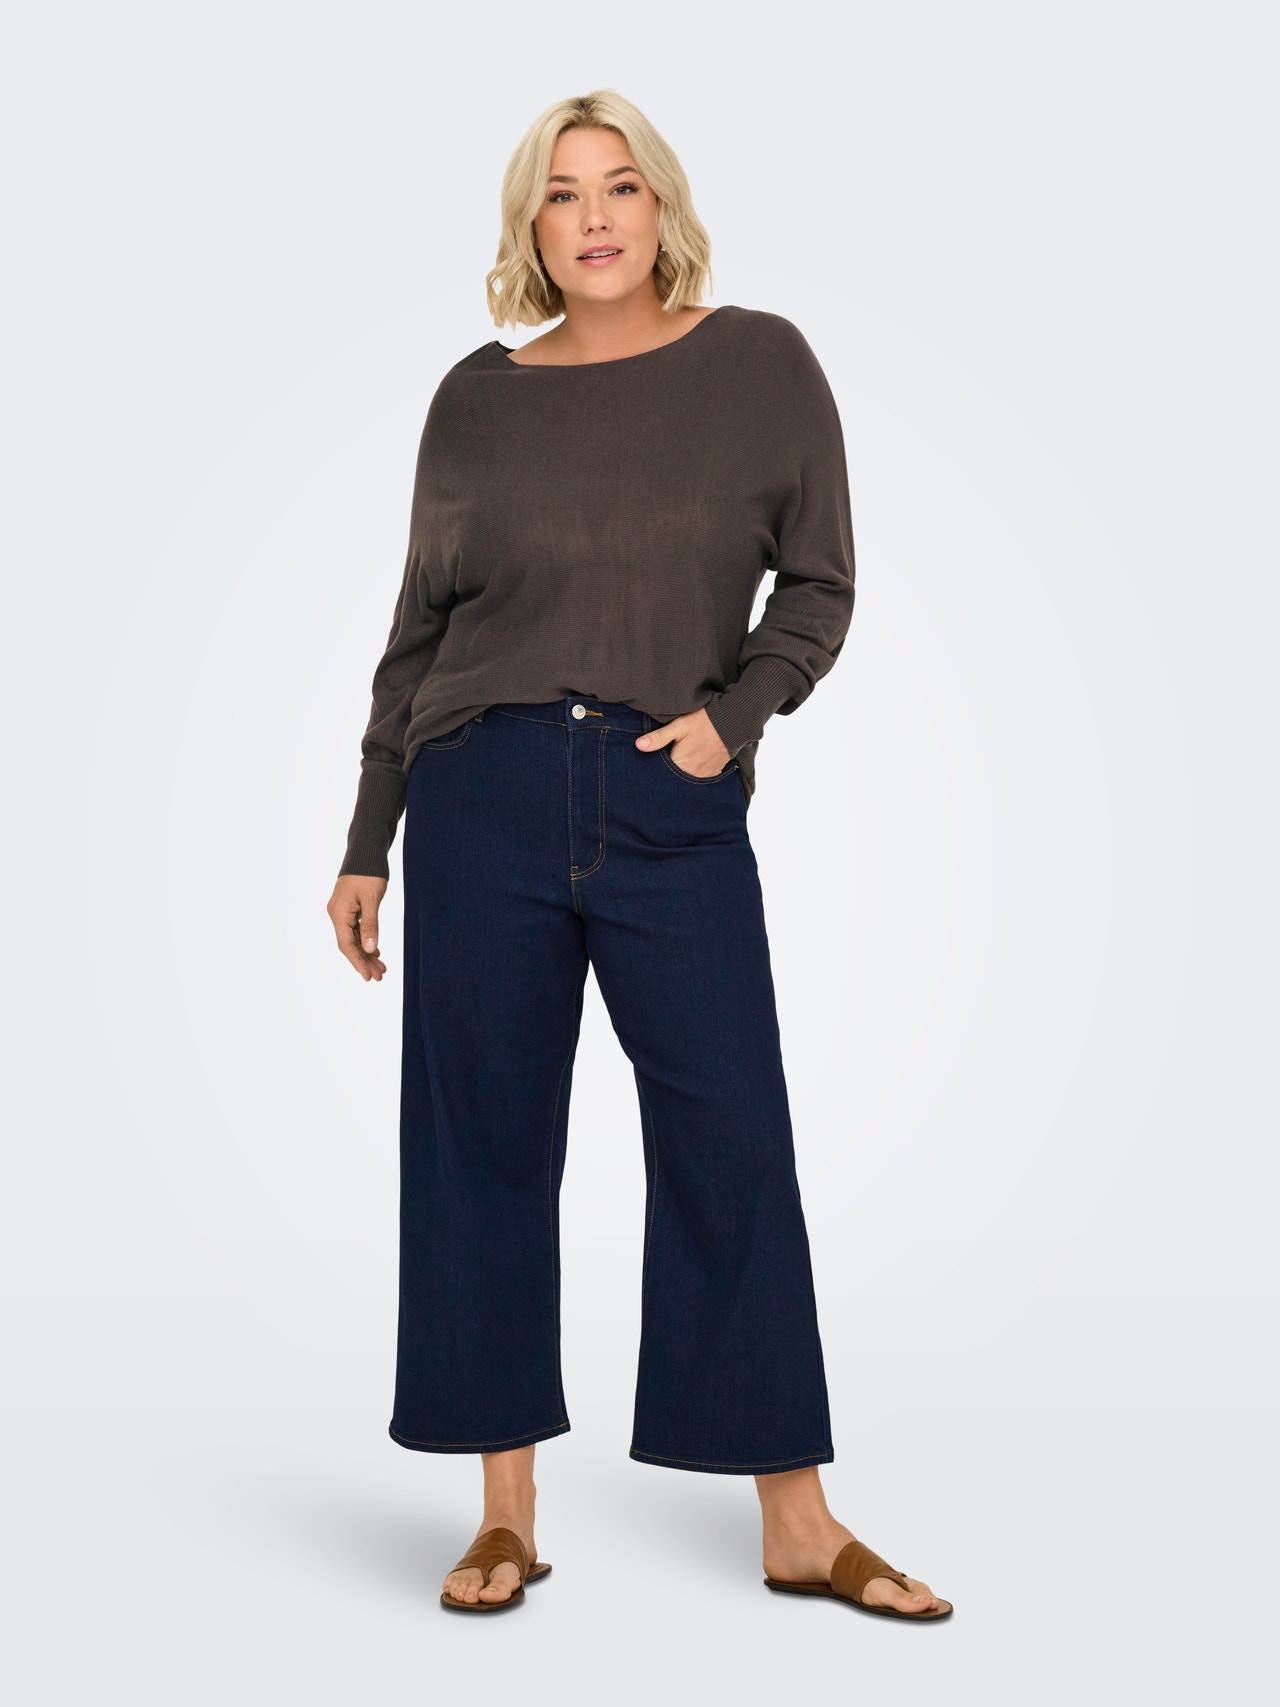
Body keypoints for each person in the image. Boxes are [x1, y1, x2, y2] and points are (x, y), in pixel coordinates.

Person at [327, 88, 952, 1623]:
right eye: (561, 193)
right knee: (481, 1146)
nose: (594, 216)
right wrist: (368, 837)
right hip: (478, 796)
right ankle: (505, 1511)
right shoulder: (475, 397)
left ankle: (797, 1520)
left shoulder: (759, 364)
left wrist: (731, 722)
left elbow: (819, 585)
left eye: (619, 185)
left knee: (732, 1137)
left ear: (661, 204)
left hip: (667, 795)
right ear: (529, 226)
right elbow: (418, 631)